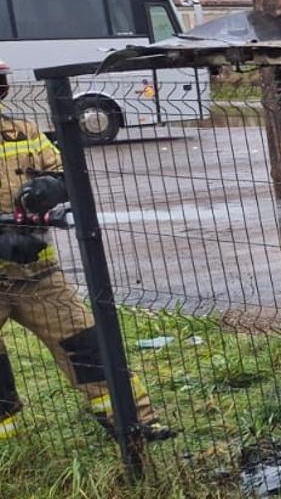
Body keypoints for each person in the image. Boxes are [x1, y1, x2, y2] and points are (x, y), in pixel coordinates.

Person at [0, 61, 168, 442]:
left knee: (89, 348)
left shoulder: (21, 132)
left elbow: (65, 171)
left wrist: (52, 186)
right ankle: (10, 455)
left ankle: (133, 424)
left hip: (39, 277)